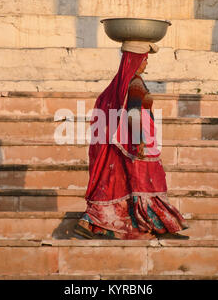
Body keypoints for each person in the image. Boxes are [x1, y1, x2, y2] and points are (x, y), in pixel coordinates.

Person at [74, 41, 189, 240]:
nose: (146, 64)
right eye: (144, 60)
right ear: (136, 61)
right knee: (148, 184)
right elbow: (134, 113)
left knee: (120, 184)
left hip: (129, 143)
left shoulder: (120, 83)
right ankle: (161, 227)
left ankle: (91, 222)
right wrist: (138, 141)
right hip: (139, 144)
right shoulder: (135, 82)